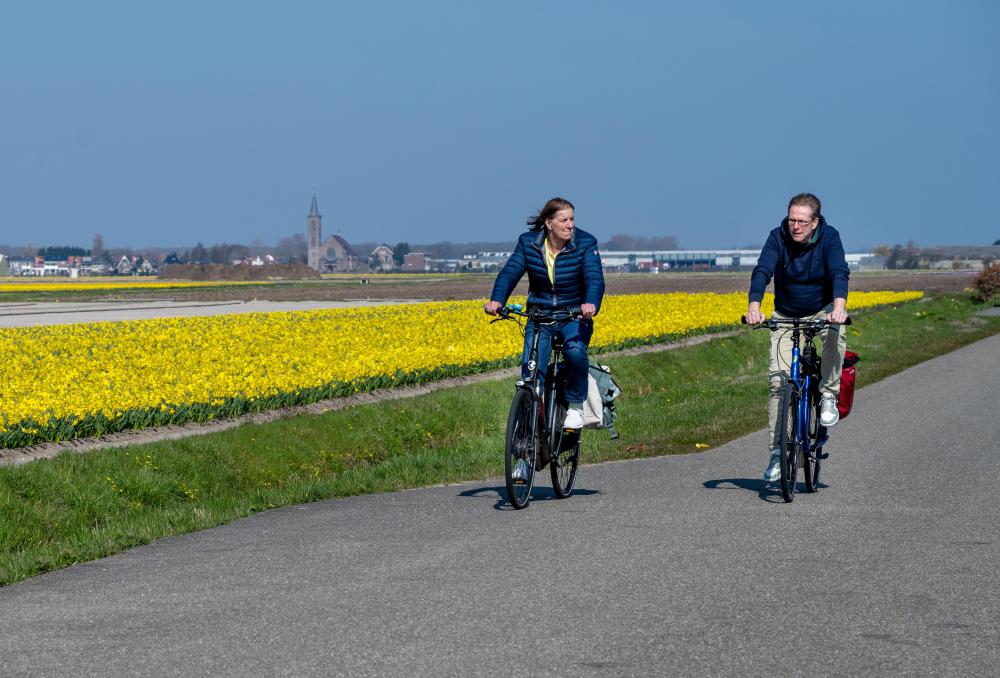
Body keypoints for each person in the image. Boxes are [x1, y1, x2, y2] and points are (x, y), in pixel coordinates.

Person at [485, 197, 606, 480]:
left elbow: (595, 279)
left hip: (573, 315)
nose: (570, 225)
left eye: (572, 219)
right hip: (539, 316)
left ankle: (575, 406)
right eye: (564, 220)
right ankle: (524, 460)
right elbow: (510, 272)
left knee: (575, 352)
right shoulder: (529, 244)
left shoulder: (585, 244)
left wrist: (590, 303)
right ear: (549, 223)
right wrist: (496, 299)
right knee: (530, 379)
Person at [746, 192, 849, 482]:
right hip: (786, 311)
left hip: (823, 308)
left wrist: (838, 308)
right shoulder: (777, 237)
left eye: (802, 221)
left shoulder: (830, 237)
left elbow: (839, 271)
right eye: (792, 219)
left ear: (815, 222)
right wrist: (755, 305)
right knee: (779, 382)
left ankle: (828, 394)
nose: (795, 226)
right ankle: (777, 454)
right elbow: (763, 270)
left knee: (835, 333)